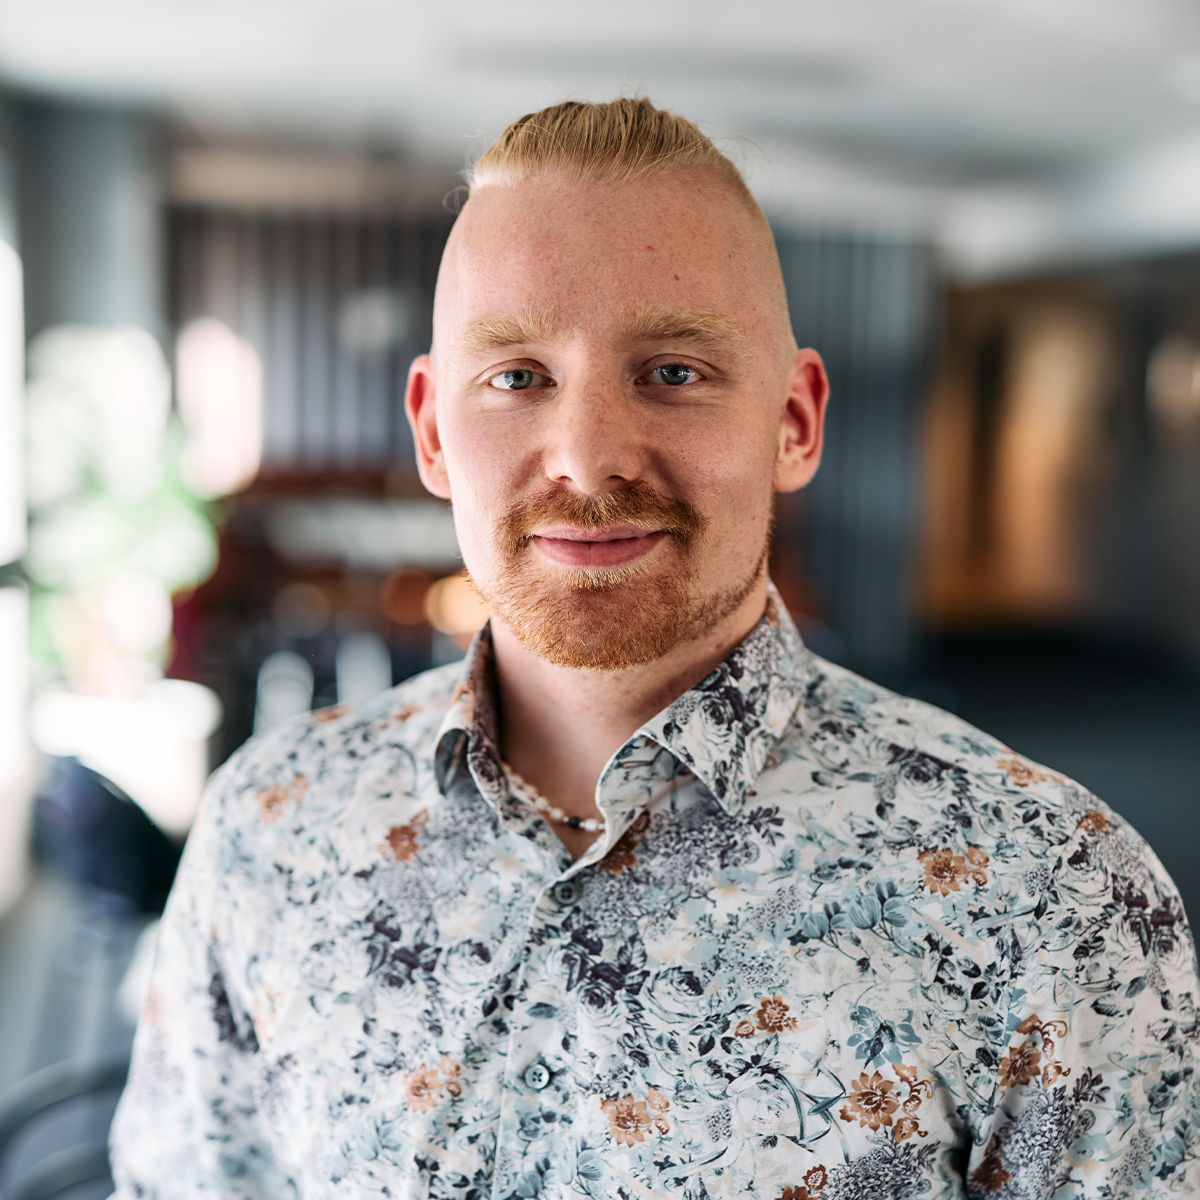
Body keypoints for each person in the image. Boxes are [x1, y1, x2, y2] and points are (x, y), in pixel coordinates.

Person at [110, 99, 1200, 1199]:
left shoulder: (1054, 895)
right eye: (518, 376)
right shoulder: (271, 828)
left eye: (673, 372)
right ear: (435, 432)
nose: (587, 460)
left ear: (794, 422)